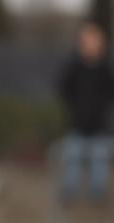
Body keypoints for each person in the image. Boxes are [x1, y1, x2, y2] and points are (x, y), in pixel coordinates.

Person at [58, 21, 114, 202]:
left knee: (100, 158)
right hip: (77, 124)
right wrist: (75, 107)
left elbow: (109, 92)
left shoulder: (105, 68)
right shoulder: (74, 66)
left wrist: (100, 108)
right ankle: (70, 190)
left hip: (99, 126)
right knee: (72, 157)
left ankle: (97, 192)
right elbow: (64, 89)